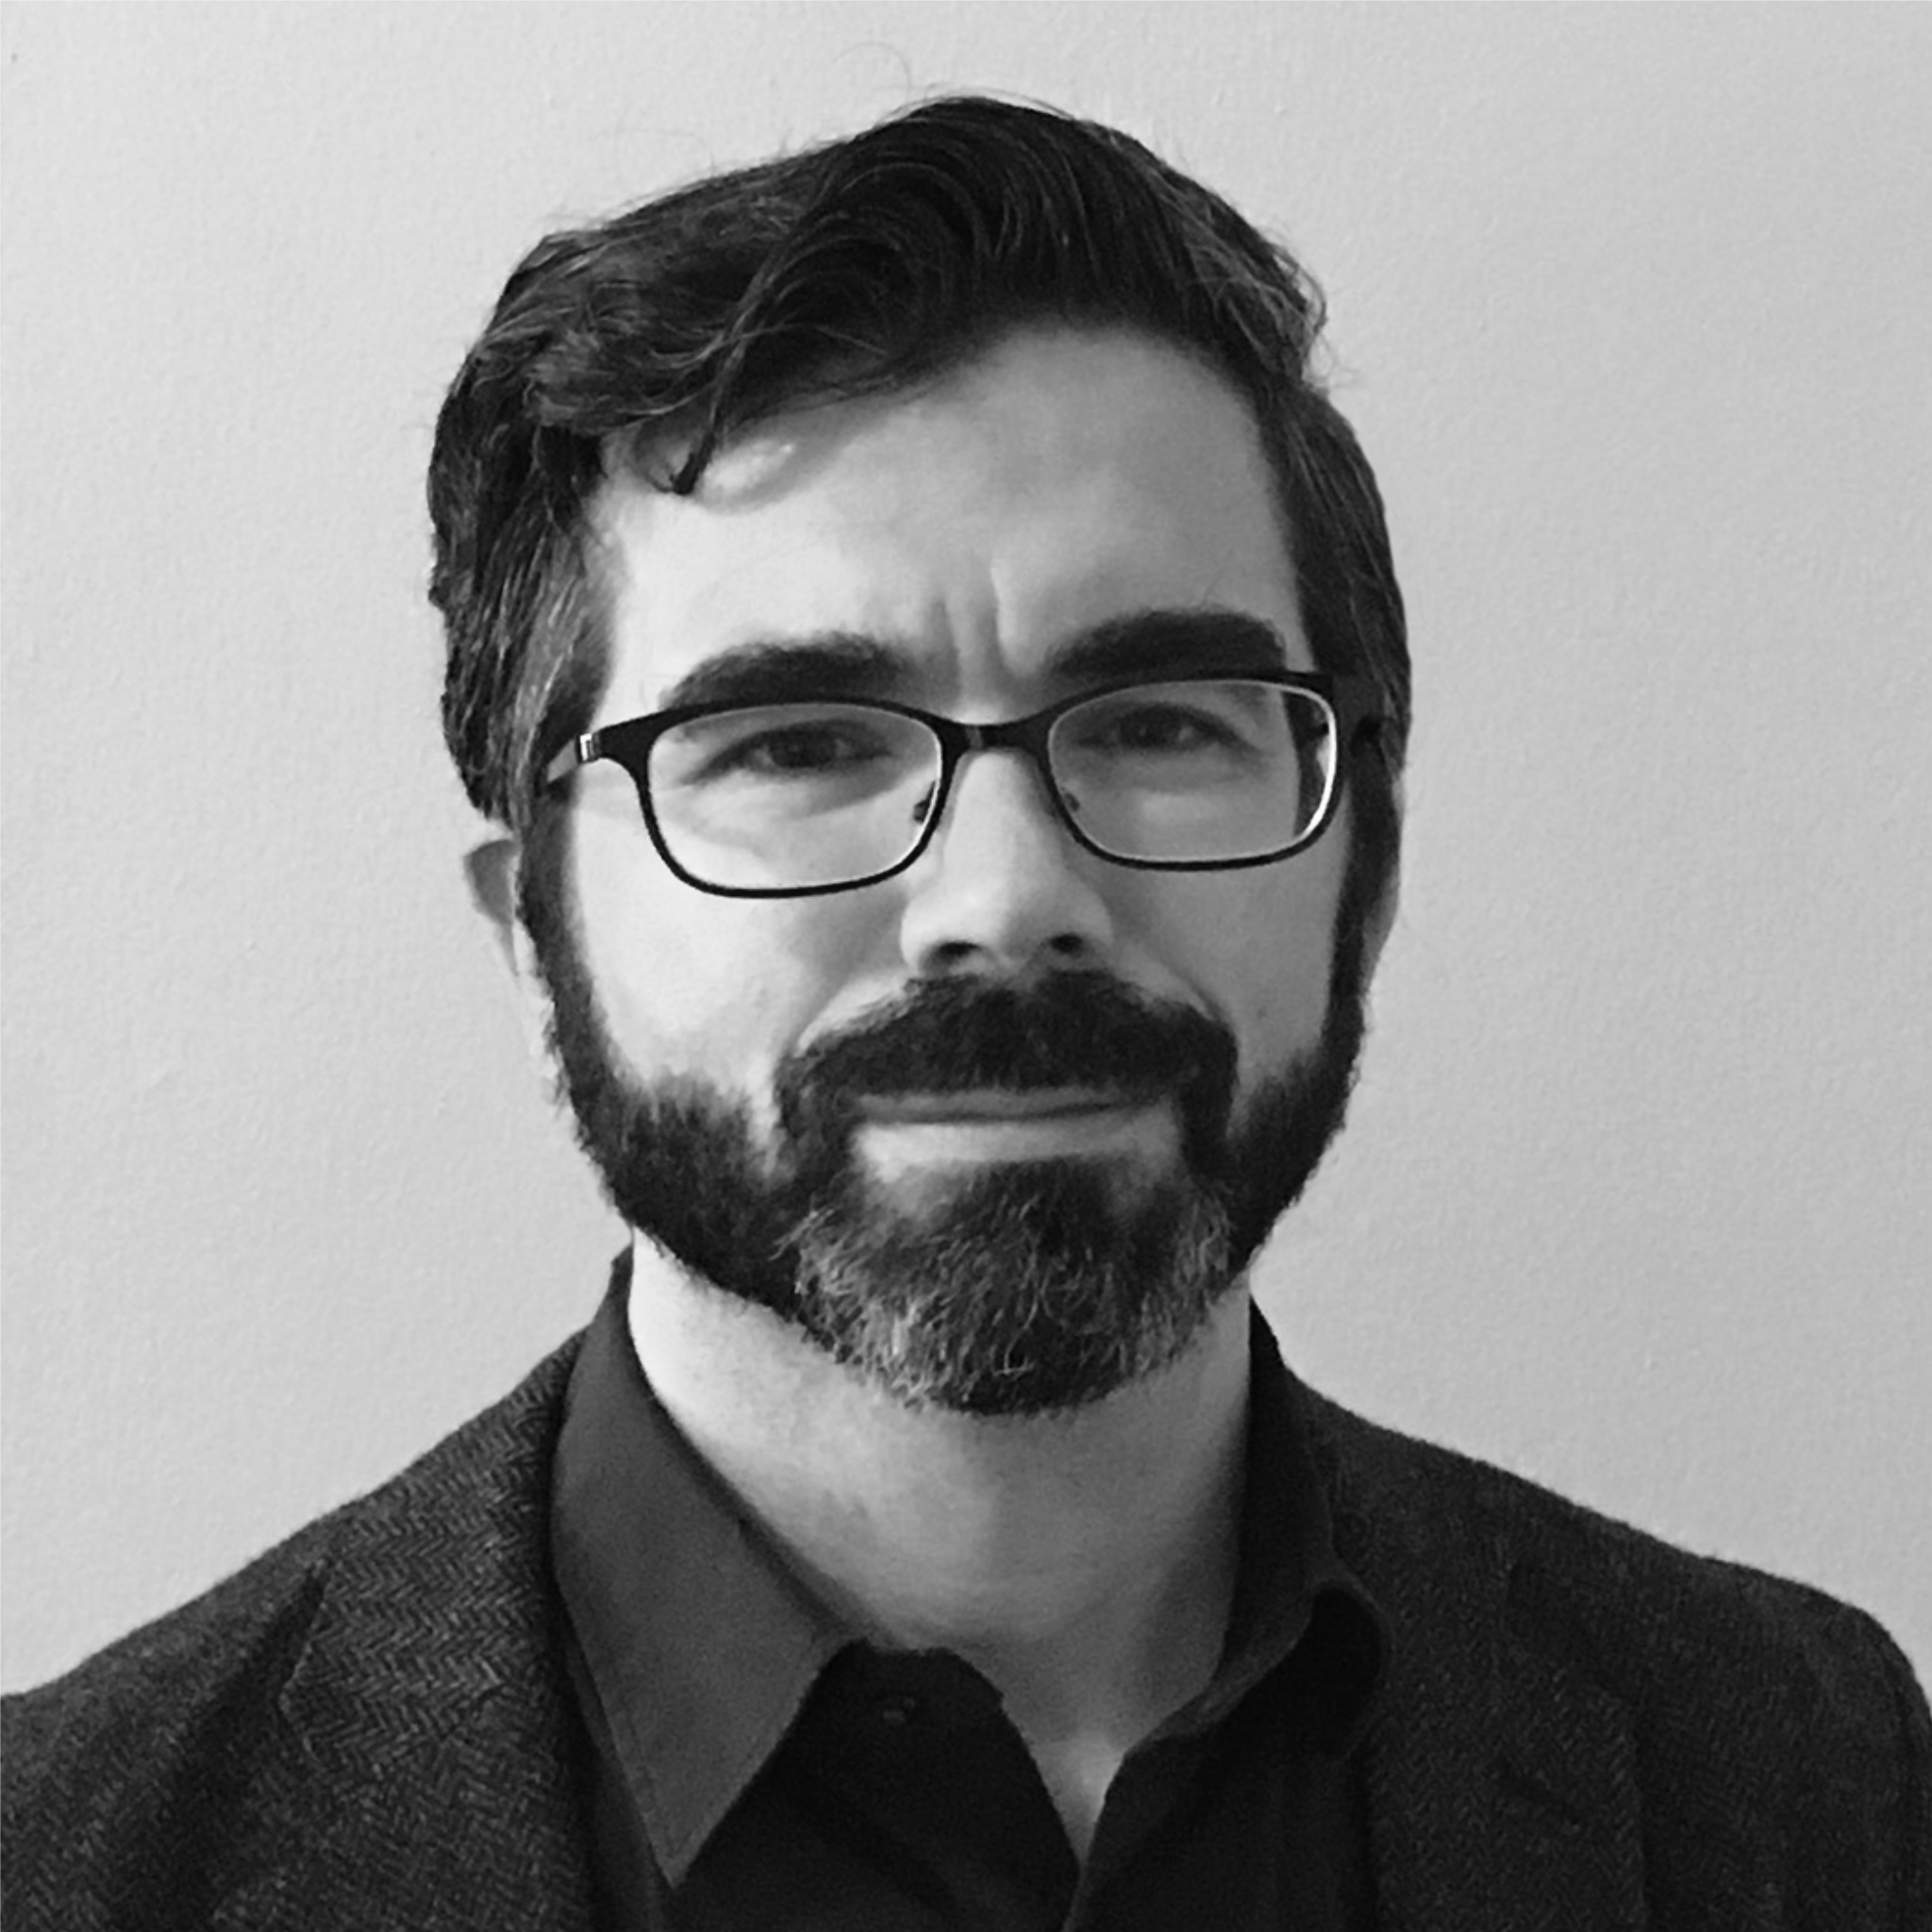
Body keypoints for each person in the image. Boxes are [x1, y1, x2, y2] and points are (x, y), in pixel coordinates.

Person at [4, 95, 1924, 1931]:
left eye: (1163, 721)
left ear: (1368, 865)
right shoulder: (63, 1865)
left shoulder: (1798, 1776)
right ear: (535, 927)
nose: (1008, 900)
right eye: (797, 743)